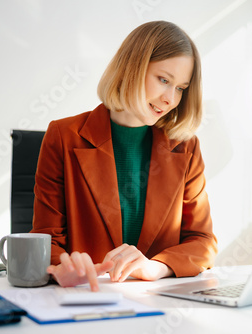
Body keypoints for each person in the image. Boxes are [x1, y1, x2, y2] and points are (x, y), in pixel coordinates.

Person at [30, 21, 217, 290]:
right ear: (132, 68)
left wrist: (157, 267)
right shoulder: (63, 136)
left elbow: (202, 240)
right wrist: (63, 267)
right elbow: (45, 239)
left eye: (180, 88)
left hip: (158, 303)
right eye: (163, 80)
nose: (170, 99)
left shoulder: (185, 146)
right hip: (86, 300)